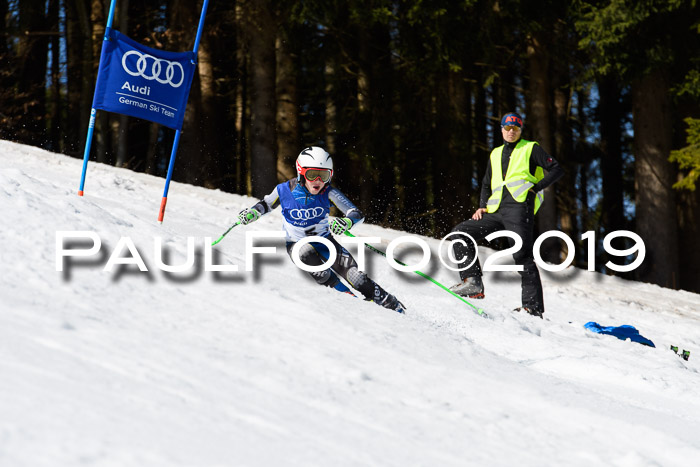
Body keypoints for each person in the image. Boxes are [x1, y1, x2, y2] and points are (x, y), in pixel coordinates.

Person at [237, 146, 406, 314]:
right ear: (300, 172)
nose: (318, 180)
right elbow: (266, 204)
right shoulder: (283, 190)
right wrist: (252, 212)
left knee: (355, 277)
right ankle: (353, 306)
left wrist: (346, 222)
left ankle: (390, 303)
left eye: (324, 175)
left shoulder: (329, 192)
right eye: (312, 174)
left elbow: (356, 214)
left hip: (325, 242)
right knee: (305, 255)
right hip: (297, 245)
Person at [449, 112, 564, 318]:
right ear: (501, 129)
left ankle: (532, 308)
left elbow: (556, 168)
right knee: (460, 234)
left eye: (516, 129)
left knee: (521, 254)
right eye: (508, 128)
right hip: (495, 210)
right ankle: (472, 282)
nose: (511, 132)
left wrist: (536, 187)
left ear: (520, 130)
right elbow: (486, 183)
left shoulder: (531, 148)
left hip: (519, 208)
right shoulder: (495, 153)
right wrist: (482, 206)